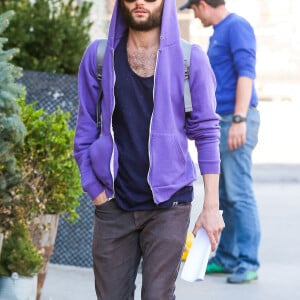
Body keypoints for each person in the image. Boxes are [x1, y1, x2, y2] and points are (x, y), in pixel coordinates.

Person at [74, 0, 224, 299]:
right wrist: (96, 191)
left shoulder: (190, 59)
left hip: (169, 206)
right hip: (113, 204)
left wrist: (210, 207)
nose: (140, 1)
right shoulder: (99, 57)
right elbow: (85, 129)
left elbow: (206, 133)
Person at [180, 0, 261, 284]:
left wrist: (239, 119)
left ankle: (248, 261)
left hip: (235, 119)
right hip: (223, 119)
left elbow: (246, 74)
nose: (194, 15)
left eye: (194, 9)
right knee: (224, 195)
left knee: (239, 194)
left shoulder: (236, 26)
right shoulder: (219, 31)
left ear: (203, 4)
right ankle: (226, 258)